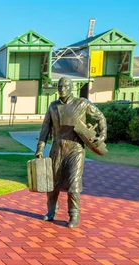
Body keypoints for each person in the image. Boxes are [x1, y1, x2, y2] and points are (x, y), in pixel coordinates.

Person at [34, 77, 107, 228]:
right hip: (57, 149)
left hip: (76, 150)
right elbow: (45, 129)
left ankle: (74, 215)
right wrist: (40, 148)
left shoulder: (82, 103)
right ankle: (51, 211)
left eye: (65, 86)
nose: (62, 89)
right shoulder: (53, 107)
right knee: (52, 184)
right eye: (60, 86)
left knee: (74, 186)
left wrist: (102, 135)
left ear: (71, 87)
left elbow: (100, 117)